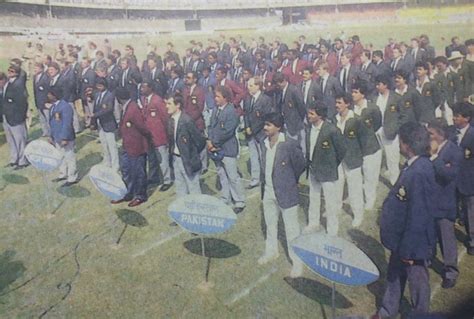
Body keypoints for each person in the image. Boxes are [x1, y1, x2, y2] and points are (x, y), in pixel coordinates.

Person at [376, 122, 437, 317]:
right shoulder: (412, 165)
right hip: (400, 239)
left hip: (413, 244)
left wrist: (409, 250)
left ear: (407, 144)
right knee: (394, 276)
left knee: (417, 281)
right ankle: (388, 310)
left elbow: (419, 214)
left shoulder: (420, 171)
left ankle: (420, 314)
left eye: (400, 141)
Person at [257, 112, 306, 278]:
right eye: (265, 124)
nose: (265, 127)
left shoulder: (289, 144)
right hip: (268, 191)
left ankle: (297, 263)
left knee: (291, 229)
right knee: (270, 225)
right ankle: (271, 251)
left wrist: (291, 181)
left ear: (278, 127)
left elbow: (300, 164)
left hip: (286, 193)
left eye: (269, 125)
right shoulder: (263, 143)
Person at [427, 120, 462, 288]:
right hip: (429, 201)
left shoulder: (454, 152)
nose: (428, 137)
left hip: (444, 203)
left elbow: (448, 175)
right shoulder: (426, 149)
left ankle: (450, 271)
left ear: (441, 135)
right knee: (429, 235)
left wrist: (434, 157)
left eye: (431, 134)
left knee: (446, 238)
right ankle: (427, 259)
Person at [305, 102, 346, 235]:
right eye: (309, 112)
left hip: (327, 171)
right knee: (314, 197)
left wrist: (331, 164)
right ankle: (313, 223)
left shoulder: (331, 130)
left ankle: (332, 230)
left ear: (320, 115)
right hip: (313, 169)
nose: (308, 116)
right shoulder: (308, 129)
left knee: (330, 202)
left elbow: (341, 150)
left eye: (312, 113)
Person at [207, 85, 246, 213]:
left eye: (218, 96)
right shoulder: (215, 110)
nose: (215, 99)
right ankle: (226, 197)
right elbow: (211, 127)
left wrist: (214, 143)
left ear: (225, 97)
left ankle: (240, 200)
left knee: (232, 176)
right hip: (216, 148)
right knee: (222, 174)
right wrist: (209, 140)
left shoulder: (231, 111)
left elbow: (227, 131)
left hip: (227, 149)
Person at [112, 89, 151, 207]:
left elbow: (143, 127)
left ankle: (140, 195)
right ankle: (128, 192)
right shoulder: (127, 107)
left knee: (138, 172)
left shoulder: (133, 108)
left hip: (136, 146)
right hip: (127, 145)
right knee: (127, 170)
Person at [334, 93, 364, 227]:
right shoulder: (334, 119)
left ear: (347, 104)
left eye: (340, 103)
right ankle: (336, 208)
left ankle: (358, 215)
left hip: (352, 158)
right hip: (338, 159)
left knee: (354, 187)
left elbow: (363, 140)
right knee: (337, 184)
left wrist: (357, 155)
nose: (337, 105)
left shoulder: (356, 119)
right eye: (336, 103)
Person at [166, 94, 206, 195]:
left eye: (169, 104)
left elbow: (200, 141)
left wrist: (192, 155)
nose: (166, 106)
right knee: (180, 187)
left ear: (178, 105)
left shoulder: (187, 121)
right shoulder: (170, 121)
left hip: (188, 160)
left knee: (193, 188)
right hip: (176, 159)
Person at [352, 81, 382, 210]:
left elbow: (377, 124)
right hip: (356, 148)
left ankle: (370, 199)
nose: (352, 94)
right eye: (352, 92)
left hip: (370, 147)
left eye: (356, 92)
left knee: (370, 175)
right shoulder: (351, 109)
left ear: (363, 94)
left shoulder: (372, 108)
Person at [140, 81, 172, 191]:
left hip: (159, 135)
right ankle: (154, 177)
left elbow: (165, 117)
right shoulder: (144, 100)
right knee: (152, 158)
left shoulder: (157, 100)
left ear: (150, 88)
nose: (141, 89)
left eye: (144, 86)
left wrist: (167, 134)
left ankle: (167, 179)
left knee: (162, 158)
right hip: (149, 136)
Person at [243, 76, 274, 189]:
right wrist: (247, 127)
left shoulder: (265, 100)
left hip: (261, 133)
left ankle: (266, 179)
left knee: (263, 157)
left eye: (251, 85)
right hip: (250, 133)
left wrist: (253, 129)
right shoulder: (248, 99)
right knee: (253, 157)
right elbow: (246, 114)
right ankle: (255, 179)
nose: (249, 88)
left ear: (258, 86)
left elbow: (265, 118)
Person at [453, 102, 474, 256]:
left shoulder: (472, 135)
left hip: (468, 180)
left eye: (457, 116)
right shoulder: (452, 133)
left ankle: (472, 239)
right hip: (453, 179)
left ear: (467, 118)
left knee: (470, 212)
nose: (454, 118)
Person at [48, 86, 78, 187]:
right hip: (56, 136)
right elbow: (52, 122)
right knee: (60, 156)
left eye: (50, 94)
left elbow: (67, 123)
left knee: (69, 156)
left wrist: (65, 137)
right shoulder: (53, 107)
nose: (48, 96)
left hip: (66, 137)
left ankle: (72, 177)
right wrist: (51, 136)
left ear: (54, 95)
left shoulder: (65, 106)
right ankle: (63, 173)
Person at [375, 75, 401, 185]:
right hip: (377, 131)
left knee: (392, 158)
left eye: (379, 84)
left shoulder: (396, 97)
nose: (377, 87)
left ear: (385, 85)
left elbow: (403, 115)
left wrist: (395, 128)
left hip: (390, 131)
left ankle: (395, 183)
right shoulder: (374, 97)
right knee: (376, 157)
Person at [89, 77, 119, 171]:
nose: (98, 87)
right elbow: (95, 107)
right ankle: (107, 161)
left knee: (112, 145)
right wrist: (93, 121)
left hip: (108, 122)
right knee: (104, 144)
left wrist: (95, 115)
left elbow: (108, 109)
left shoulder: (110, 95)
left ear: (105, 86)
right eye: (97, 85)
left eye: (100, 85)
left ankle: (115, 164)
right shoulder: (97, 94)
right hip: (100, 123)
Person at [1, 65, 29, 169]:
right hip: (6, 117)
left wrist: (21, 117)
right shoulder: (5, 86)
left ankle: (22, 161)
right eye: (9, 71)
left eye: (12, 71)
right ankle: (14, 159)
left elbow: (22, 103)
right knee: (10, 140)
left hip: (16, 118)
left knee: (19, 139)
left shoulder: (17, 85)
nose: (10, 73)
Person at [32, 62, 51, 137]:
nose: (35, 69)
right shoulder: (35, 77)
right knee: (42, 118)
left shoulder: (46, 77)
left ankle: (51, 132)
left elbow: (47, 90)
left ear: (42, 69)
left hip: (45, 102)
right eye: (34, 68)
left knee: (48, 118)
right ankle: (45, 131)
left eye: (37, 68)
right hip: (38, 101)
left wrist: (47, 101)